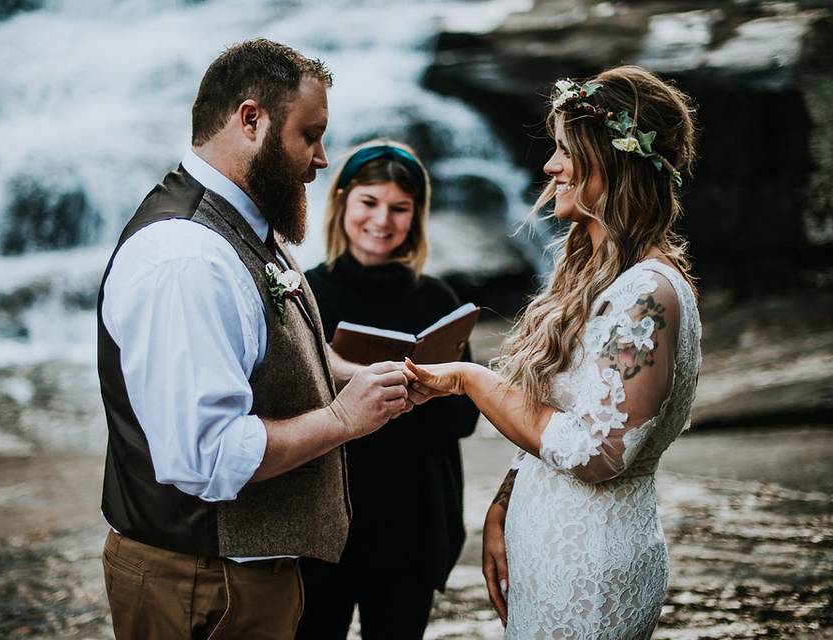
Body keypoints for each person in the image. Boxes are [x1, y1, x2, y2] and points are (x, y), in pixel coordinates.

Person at [97, 39, 415, 639]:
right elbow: (208, 455)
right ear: (251, 119)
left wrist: (346, 373)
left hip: (234, 581)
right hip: (200, 585)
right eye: (310, 135)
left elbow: (256, 350)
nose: (322, 158)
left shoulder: (239, 225)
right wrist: (345, 418)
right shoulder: (187, 257)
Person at [406, 65, 701, 638]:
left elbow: (598, 452)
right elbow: (570, 414)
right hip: (554, 560)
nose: (550, 166)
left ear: (614, 160)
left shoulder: (648, 296)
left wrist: (470, 379)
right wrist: (506, 502)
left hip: (588, 577)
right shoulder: (602, 278)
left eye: (566, 150)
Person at [295, 140, 480, 640]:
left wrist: (424, 386)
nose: (383, 220)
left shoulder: (437, 299)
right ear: (343, 204)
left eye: (400, 208)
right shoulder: (305, 293)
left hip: (412, 523)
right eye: (369, 203)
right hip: (325, 524)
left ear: (416, 217)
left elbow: (462, 421)